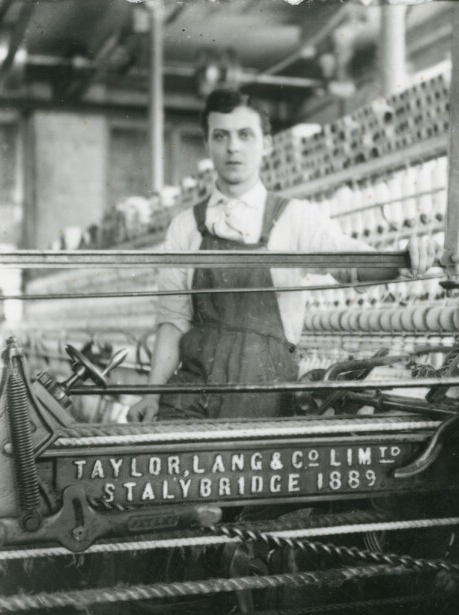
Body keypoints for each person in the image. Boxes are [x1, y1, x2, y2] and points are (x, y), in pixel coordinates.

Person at [128, 89, 436, 422]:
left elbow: (351, 265)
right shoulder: (184, 227)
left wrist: (402, 260)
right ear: (208, 144)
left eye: (245, 135)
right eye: (221, 136)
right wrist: (151, 396)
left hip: (266, 401)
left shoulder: (295, 218)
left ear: (267, 144)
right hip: (190, 401)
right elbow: (172, 324)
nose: (233, 147)